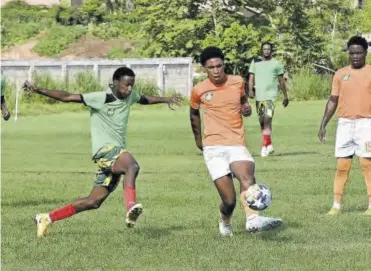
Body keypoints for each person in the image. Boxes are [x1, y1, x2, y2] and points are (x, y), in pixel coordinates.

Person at [23, 67, 182, 237]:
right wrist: (38, 89)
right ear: (115, 83)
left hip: (114, 154)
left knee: (94, 201)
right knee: (132, 167)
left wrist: (166, 99)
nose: (129, 89)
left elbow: (144, 99)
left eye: (131, 86)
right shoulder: (101, 98)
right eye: (126, 85)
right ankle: (130, 207)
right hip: (106, 151)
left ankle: (46, 218)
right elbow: (67, 97)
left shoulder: (130, 96)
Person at [189, 47, 283, 236]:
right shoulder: (199, 90)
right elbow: (193, 114)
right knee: (229, 201)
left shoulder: (237, 82)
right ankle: (225, 220)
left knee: (247, 177)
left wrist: (245, 107)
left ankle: (252, 220)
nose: (216, 70)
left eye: (219, 66)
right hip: (213, 147)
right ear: (205, 69)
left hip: (236, 143)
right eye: (211, 67)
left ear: (224, 65)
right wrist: (199, 140)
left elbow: (243, 100)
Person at [318, 36, 371, 216]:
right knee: (342, 166)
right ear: (348, 54)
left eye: (359, 53)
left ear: (365, 53)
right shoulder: (340, 74)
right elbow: (332, 100)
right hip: (344, 124)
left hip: (365, 124)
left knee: (366, 164)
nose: (355, 57)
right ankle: (336, 205)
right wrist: (323, 124)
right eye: (352, 53)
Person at [248, 42, 289, 157]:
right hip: (259, 96)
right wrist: (250, 90)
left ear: (271, 50)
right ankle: (269, 144)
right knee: (262, 122)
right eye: (264, 49)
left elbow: (281, 81)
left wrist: (285, 96)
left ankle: (263, 147)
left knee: (267, 119)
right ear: (262, 50)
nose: (266, 51)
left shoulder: (276, 64)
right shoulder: (255, 62)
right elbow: (251, 78)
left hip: (270, 96)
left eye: (268, 49)